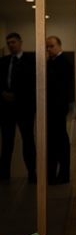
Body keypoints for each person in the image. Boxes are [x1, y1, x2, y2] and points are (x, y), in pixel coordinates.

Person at [0, 32, 37, 183]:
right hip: (6, 108)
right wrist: (3, 93)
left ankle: (32, 172)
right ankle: (4, 174)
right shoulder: (3, 61)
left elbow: (32, 84)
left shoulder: (31, 60)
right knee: (7, 142)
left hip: (24, 108)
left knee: (28, 140)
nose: (11, 45)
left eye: (13, 42)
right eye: (8, 43)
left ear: (20, 42)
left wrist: (16, 94)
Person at [46, 36, 74, 185]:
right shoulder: (50, 63)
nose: (49, 49)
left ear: (59, 46)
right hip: (50, 109)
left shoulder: (64, 63)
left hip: (58, 108)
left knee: (60, 142)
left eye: (51, 46)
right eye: (47, 47)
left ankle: (63, 174)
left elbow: (60, 87)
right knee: (51, 142)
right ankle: (51, 174)